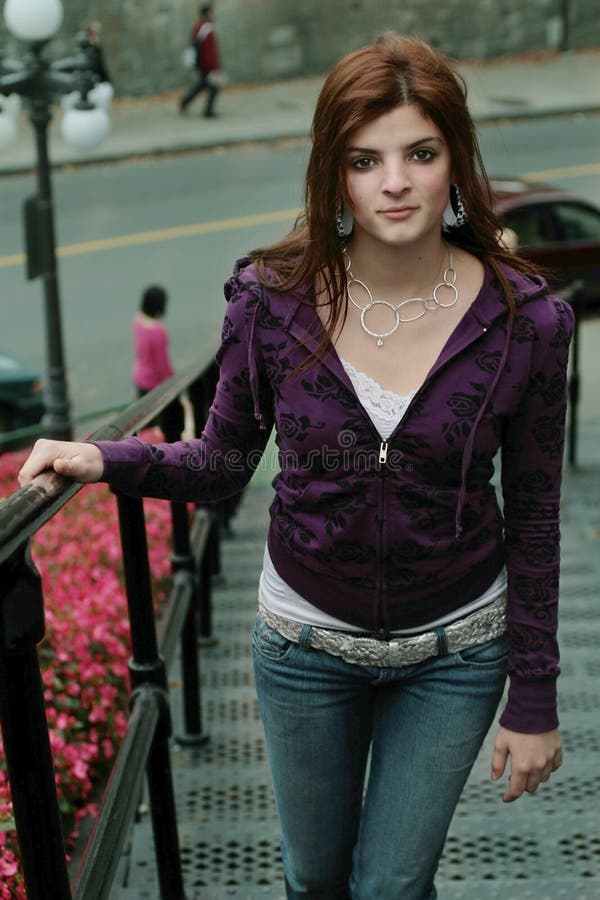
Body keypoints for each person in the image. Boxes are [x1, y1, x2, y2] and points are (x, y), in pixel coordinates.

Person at [19, 34, 573, 900]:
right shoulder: (273, 301)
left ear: (455, 161)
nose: (395, 181)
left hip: (456, 649)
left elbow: (536, 512)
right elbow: (222, 461)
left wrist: (534, 698)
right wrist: (103, 456)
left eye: (420, 153)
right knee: (315, 882)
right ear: (335, 172)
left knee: (391, 886)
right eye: (366, 158)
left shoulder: (527, 323)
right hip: (305, 646)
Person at [132, 285, 184, 439]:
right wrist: (175, 384)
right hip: (156, 384)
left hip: (141, 378)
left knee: (145, 421)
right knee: (174, 418)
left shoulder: (137, 320)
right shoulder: (158, 331)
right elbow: (162, 366)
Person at [179, 3, 222, 118]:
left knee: (203, 85)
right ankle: (207, 111)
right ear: (207, 14)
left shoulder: (200, 27)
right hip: (207, 64)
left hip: (203, 63)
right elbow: (209, 50)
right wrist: (214, 65)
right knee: (213, 87)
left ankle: (186, 101)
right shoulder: (205, 28)